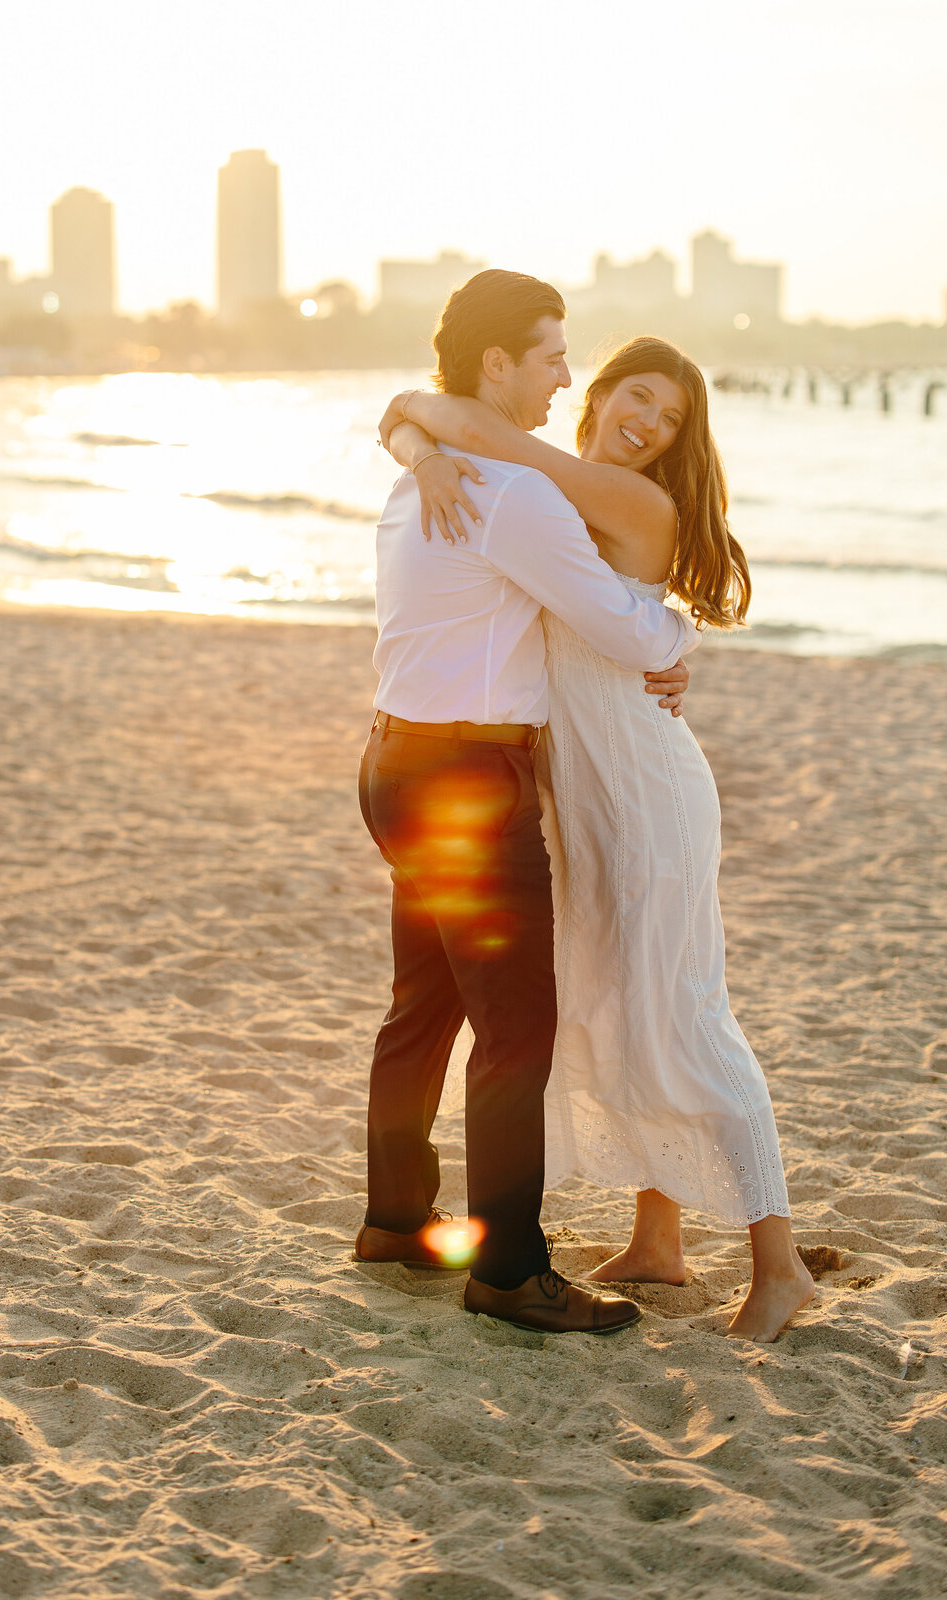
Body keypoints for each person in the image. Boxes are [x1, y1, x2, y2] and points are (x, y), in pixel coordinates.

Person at [380, 334, 815, 1342]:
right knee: (621, 1012)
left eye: (666, 423)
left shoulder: (619, 498)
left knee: (687, 1017)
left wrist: (421, 427)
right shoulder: (561, 498)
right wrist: (421, 450)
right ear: (606, 391)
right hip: (588, 797)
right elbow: (425, 417)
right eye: (638, 399)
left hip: (651, 797)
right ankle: (658, 1241)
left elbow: (460, 420)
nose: (645, 425)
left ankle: (780, 1265)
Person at [355, 271, 701, 1336]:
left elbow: (404, 419)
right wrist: (680, 632)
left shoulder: (423, 477)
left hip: (392, 763)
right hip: (467, 782)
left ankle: (398, 1220)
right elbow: (626, 630)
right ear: (497, 364)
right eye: (553, 355)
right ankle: (508, 1268)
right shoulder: (515, 497)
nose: (567, 375)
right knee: (517, 1031)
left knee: (423, 1004)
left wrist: (414, 432)